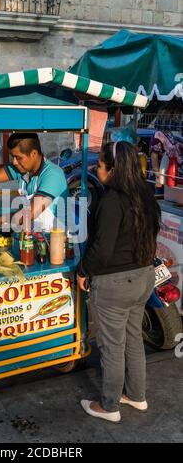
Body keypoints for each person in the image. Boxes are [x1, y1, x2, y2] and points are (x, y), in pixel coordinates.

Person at [77, 140, 161, 423]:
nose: (96, 170)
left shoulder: (112, 199)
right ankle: (137, 396)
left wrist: (82, 271)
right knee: (133, 338)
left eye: (99, 165)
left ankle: (109, 405)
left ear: (113, 169)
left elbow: (102, 250)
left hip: (115, 283)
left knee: (112, 346)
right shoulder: (145, 194)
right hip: (143, 277)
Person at [0, 133, 69, 232]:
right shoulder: (21, 169)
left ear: (34, 153)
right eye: (12, 157)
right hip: (33, 234)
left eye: (18, 158)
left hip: (56, 238)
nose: (14, 162)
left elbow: (30, 214)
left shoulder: (52, 175)